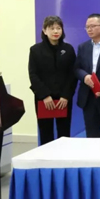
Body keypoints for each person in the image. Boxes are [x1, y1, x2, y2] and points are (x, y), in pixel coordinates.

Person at [28, 16, 77, 145]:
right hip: (44, 99)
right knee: (45, 133)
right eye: (52, 28)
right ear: (45, 31)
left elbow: (72, 74)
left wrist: (66, 96)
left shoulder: (68, 49)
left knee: (64, 133)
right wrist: (44, 95)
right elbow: (33, 74)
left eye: (58, 28)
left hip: (63, 99)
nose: (56, 31)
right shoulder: (35, 50)